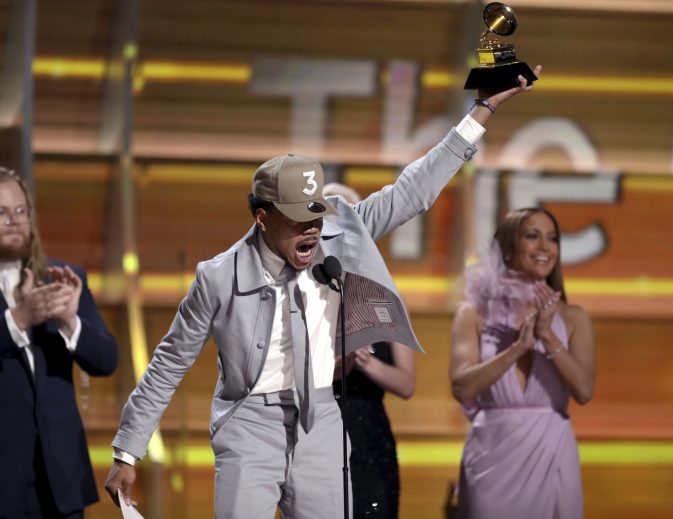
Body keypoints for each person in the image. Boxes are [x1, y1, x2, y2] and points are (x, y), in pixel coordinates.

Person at [104, 69, 541, 519]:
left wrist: (481, 111)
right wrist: (127, 452)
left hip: (322, 419)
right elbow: (168, 364)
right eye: (299, 219)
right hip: (249, 425)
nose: (313, 230)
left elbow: (413, 191)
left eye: (317, 217)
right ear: (263, 218)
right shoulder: (217, 277)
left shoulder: (340, 234)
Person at [449, 207, 596, 518]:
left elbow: (583, 391)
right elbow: (462, 387)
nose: (545, 247)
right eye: (532, 236)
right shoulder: (473, 314)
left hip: (552, 450)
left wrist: (548, 336)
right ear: (508, 246)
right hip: (492, 457)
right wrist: (517, 349)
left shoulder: (574, 318)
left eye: (552, 238)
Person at [0, 167, 119, 519]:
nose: (14, 221)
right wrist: (18, 319)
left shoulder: (63, 279)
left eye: (21, 211)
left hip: (61, 481)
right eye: (2, 213)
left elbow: (106, 360)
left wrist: (70, 320)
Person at [323, 183, 415, 519]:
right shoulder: (306, 293)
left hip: (370, 434)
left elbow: (406, 385)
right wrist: (340, 365)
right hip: (320, 425)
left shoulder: (385, 296)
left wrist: (363, 361)